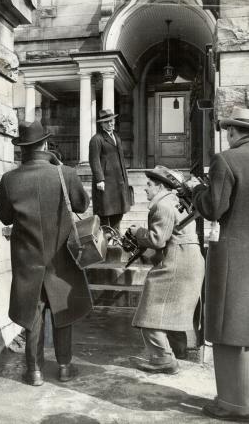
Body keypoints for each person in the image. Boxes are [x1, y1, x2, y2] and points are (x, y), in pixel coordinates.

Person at [0, 121, 92, 386]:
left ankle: (34, 371)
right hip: (61, 255)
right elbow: (82, 204)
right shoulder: (66, 173)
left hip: (28, 258)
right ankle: (63, 367)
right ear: (45, 145)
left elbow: (5, 217)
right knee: (63, 311)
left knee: (32, 313)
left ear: (23, 149)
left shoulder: (9, 179)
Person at [188, 106, 249, 421]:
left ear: (233, 131)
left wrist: (196, 191)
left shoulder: (226, 160)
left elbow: (213, 208)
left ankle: (233, 403)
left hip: (234, 258)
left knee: (228, 329)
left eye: (228, 129)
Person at [129, 166, 205, 374]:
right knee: (175, 314)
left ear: (160, 186)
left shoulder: (162, 206)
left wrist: (137, 232)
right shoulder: (177, 201)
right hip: (190, 260)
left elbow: (157, 239)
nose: (145, 189)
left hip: (176, 262)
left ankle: (163, 359)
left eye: (149, 185)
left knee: (149, 314)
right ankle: (178, 354)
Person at [89, 108, 131, 231]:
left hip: (118, 181)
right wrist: (99, 179)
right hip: (106, 182)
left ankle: (115, 237)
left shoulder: (116, 137)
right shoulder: (97, 139)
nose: (111, 124)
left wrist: (124, 177)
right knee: (105, 211)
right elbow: (94, 160)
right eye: (107, 122)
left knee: (119, 211)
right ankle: (105, 239)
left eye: (112, 121)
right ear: (101, 124)